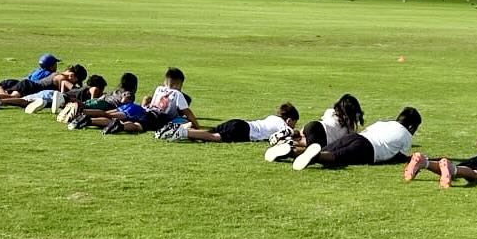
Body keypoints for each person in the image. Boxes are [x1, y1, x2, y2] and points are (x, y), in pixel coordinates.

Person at [292, 107, 421, 170]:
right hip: (368, 149)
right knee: (336, 157)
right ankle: (315, 157)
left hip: (356, 137)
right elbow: (399, 157)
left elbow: (365, 131)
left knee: (325, 149)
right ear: (411, 126)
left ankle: (292, 150)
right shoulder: (406, 136)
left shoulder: (383, 123)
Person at [266, 94, 364, 162]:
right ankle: (290, 146)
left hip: (313, 125)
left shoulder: (330, 112)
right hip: (323, 137)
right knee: (309, 149)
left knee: (301, 135)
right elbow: (349, 138)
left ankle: (289, 135)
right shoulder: (348, 127)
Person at [96, 70, 197, 135]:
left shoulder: (159, 89)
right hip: (159, 118)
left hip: (148, 111)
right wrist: (196, 125)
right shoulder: (178, 94)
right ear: (177, 85)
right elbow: (188, 112)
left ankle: (96, 121)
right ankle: (121, 126)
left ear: (166, 82)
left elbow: (150, 100)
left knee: (136, 122)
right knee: (138, 126)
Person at [170, 103, 299, 144]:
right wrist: (297, 132)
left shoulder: (272, 117)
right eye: (294, 123)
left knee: (210, 132)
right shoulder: (282, 124)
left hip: (240, 123)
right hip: (244, 131)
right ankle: (184, 132)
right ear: (289, 120)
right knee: (215, 137)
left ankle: (185, 127)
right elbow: (288, 132)